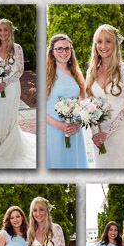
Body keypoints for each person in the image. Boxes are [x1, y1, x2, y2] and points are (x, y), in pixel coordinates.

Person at [0, 19, 36, 169]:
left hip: (11, 87)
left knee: (10, 113)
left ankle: (8, 143)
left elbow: (20, 69)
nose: (2, 33)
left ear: (10, 32)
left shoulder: (17, 48)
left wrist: (6, 82)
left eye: (5, 30)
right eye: (0, 30)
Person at [84, 24, 124, 169]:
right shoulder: (91, 72)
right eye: (99, 41)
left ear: (115, 44)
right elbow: (88, 106)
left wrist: (107, 132)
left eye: (108, 41)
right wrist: (96, 133)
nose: (103, 46)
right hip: (99, 137)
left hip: (122, 133)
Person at [45, 34, 88, 169]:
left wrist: (77, 125)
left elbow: (84, 102)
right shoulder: (46, 74)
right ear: (52, 51)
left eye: (67, 49)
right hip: (53, 128)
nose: (64, 52)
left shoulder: (76, 73)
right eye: (59, 49)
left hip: (74, 130)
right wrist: (59, 125)